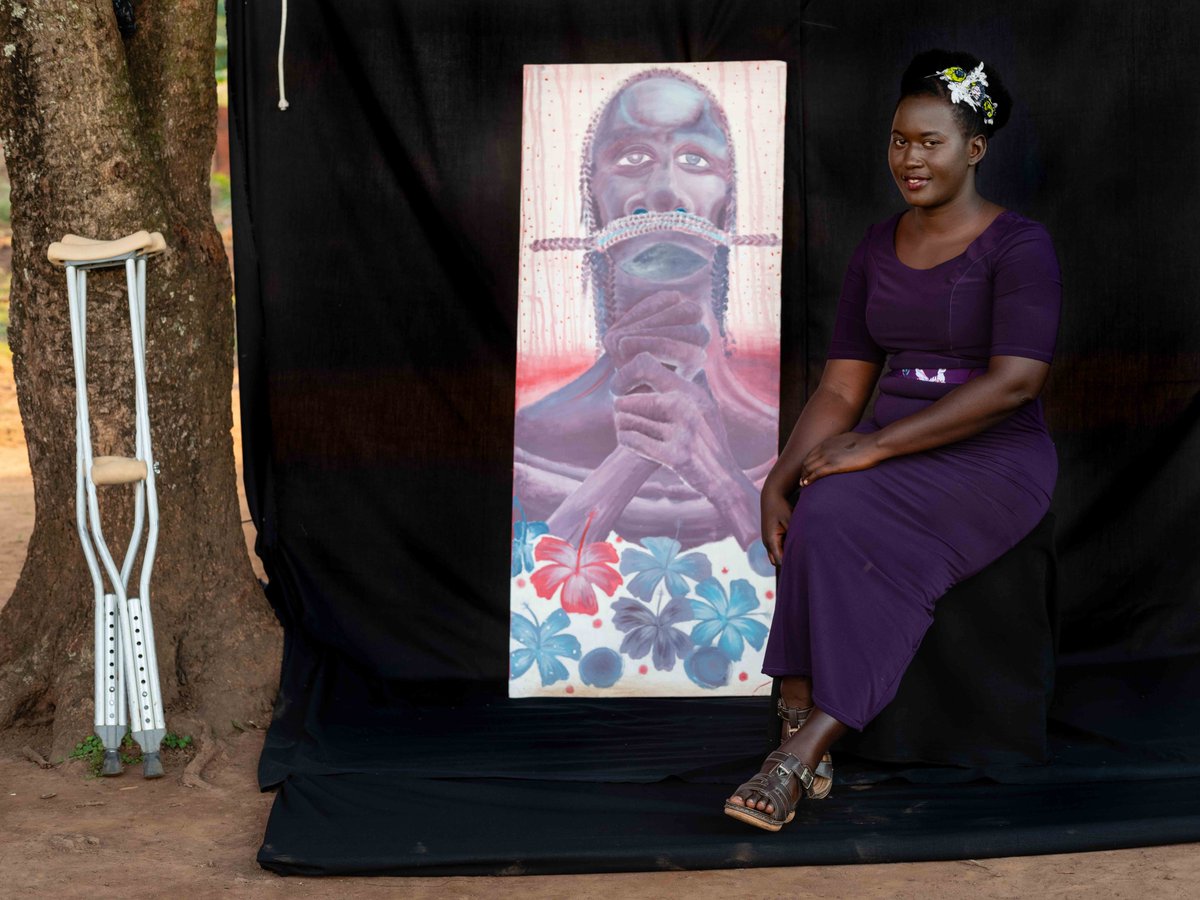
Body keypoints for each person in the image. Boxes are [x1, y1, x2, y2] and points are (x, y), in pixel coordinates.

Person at [724, 50, 1062, 831]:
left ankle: (800, 748)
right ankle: (801, 712)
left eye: (930, 141)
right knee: (816, 500)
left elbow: (1015, 382)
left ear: (973, 149)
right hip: (892, 442)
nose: (910, 158)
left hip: (993, 457)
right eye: (899, 140)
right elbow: (843, 387)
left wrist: (874, 449)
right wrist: (778, 478)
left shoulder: (1020, 248)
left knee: (839, 505)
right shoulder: (877, 246)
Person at [514, 69, 778, 551]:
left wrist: (723, 482)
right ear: (594, 193)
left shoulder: (783, 438)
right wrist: (635, 453)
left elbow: (794, 573)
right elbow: (539, 589)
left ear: (726, 202)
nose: (663, 193)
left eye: (695, 159)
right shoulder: (526, 442)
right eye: (634, 157)